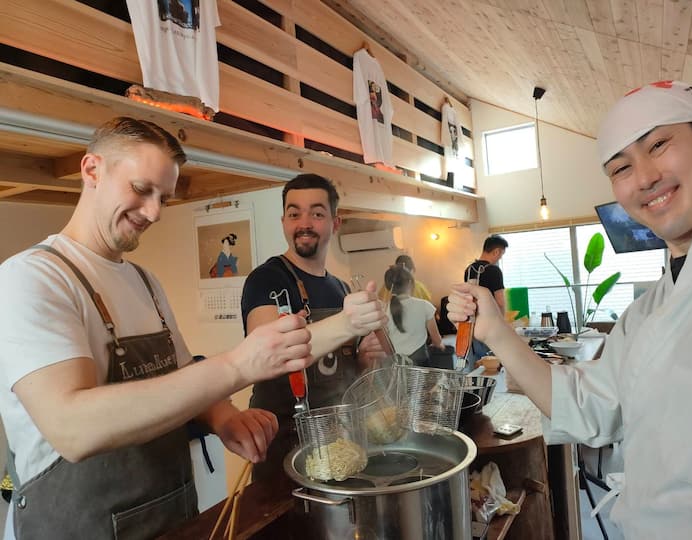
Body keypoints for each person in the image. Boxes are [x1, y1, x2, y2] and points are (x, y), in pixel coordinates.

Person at [0, 117, 315, 540]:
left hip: (171, 518)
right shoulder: (33, 277)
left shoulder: (145, 282)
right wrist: (238, 365)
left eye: (163, 198)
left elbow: (180, 373)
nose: (154, 212)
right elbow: (72, 429)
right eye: (141, 189)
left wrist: (223, 416)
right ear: (91, 170)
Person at [447, 81, 692, 538]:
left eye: (659, 144)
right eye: (621, 167)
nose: (645, 177)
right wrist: (495, 331)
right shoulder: (648, 311)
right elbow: (589, 408)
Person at [241, 173, 387, 482]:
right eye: (294, 214)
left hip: (340, 443)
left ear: (335, 223)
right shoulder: (267, 279)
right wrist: (347, 323)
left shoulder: (342, 288)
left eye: (317, 214)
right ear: (283, 222)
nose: (304, 223)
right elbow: (269, 355)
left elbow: (346, 372)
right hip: (285, 446)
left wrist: (362, 360)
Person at [383, 264, 444, 365]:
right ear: (410, 282)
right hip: (420, 362)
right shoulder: (424, 306)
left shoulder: (384, 310)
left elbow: (385, 346)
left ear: (388, 287)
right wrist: (441, 345)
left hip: (396, 364)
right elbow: (437, 341)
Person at [462, 234, 508, 361]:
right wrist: (503, 323)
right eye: (501, 255)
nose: (499, 258)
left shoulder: (469, 270)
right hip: (490, 323)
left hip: (472, 323)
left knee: (478, 361)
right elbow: (500, 301)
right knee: (492, 361)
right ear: (496, 251)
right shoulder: (494, 270)